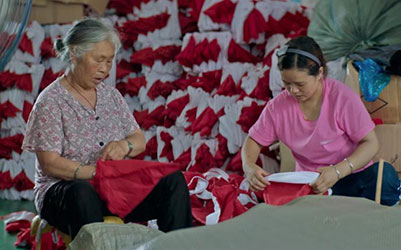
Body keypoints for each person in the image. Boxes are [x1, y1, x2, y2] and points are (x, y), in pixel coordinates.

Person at [22, 18, 192, 239]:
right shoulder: (50, 101)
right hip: (65, 191)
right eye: (99, 60)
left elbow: (139, 140)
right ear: (74, 54)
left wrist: (124, 145)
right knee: (82, 192)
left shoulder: (110, 96)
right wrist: (94, 173)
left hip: (112, 187)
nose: (104, 69)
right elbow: (51, 164)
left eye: (110, 61)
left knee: (172, 181)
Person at [242, 36, 401, 206]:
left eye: (300, 84)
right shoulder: (278, 107)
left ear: (319, 73)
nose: (293, 90)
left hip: (350, 176)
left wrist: (338, 171)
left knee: (384, 178)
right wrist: (249, 166)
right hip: (311, 186)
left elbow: (371, 143)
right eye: (286, 83)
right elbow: (253, 141)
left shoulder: (342, 98)